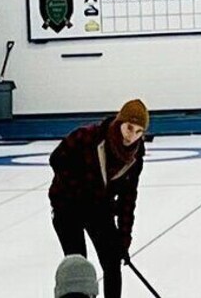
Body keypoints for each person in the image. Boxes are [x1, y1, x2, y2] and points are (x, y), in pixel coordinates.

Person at [49, 99, 149, 298]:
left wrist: (124, 238)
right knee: (78, 266)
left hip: (99, 209)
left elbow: (128, 199)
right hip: (67, 206)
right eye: (129, 128)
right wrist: (80, 190)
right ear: (120, 122)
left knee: (112, 262)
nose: (132, 136)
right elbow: (56, 159)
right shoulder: (88, 137)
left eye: (139, 132)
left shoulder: (135, 158)